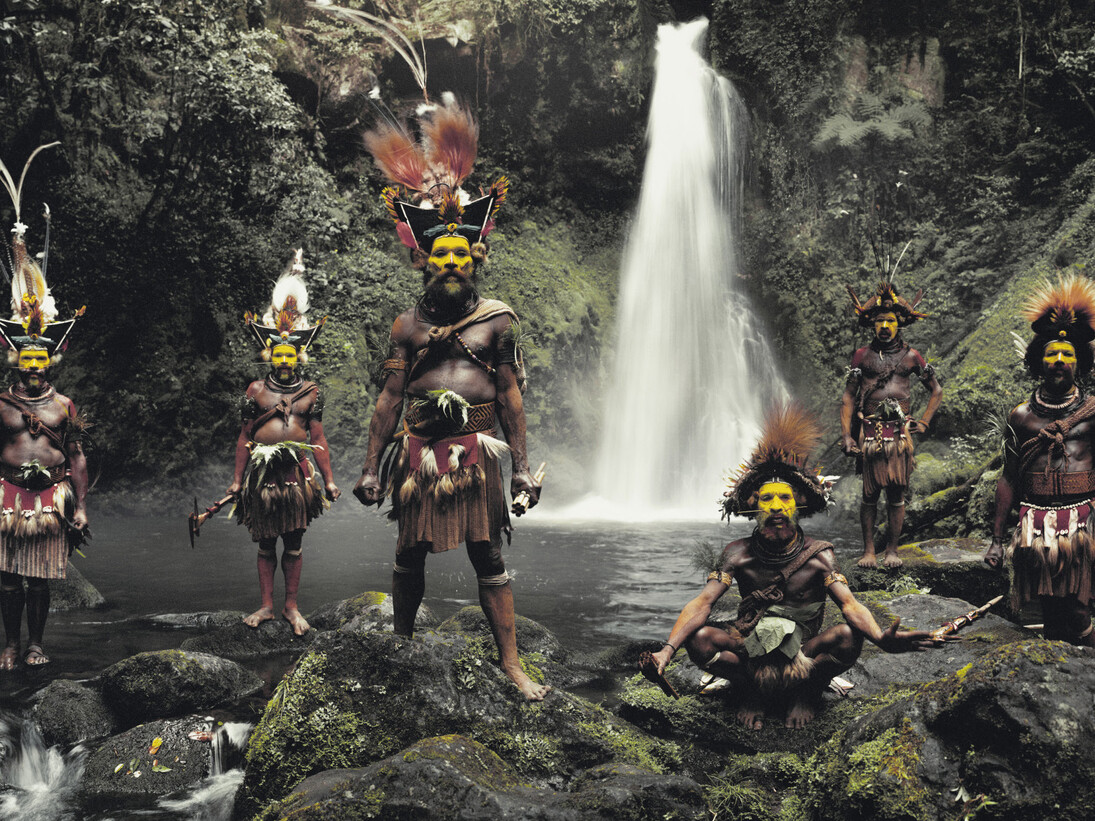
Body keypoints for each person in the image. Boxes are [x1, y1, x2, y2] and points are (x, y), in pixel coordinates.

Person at [353, 101, 547, 701]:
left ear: (476, 257)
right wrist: (368, 467)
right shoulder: (406, 327)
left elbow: (511, 399)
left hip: (477, 450)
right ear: (423, 260)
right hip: (419, 453)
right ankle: (403, 648)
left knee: (488, 556)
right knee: (409, 553)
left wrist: (521, 468)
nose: (453, 264)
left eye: (462, 255)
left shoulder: (497, 323)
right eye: (442, 256)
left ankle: (512, 664)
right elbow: (388, 400)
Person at [645, 404, 941, 729]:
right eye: (767, 499)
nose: (776, 507)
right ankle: (750, 691)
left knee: (849, 637)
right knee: (699, 639)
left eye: (784, 499)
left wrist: (880, 638)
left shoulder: (819, 555)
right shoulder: (737, 553)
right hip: (749, 646)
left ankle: (808, 692)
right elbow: (703, 602)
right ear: (752, 506)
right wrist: (667, 651)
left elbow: (849, 603)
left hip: (805, 649)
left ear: (797, 505)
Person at [0, 142, 89, 669]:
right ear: (15, 360)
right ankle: (8, 644)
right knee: (8, 578)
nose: (34, 366)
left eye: (41, 359)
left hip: (50, 500)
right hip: (8, 499)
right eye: (25, 359)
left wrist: (82, 504)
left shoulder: (65, 405)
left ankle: (36, 642)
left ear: (52, 360)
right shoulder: (1, 404)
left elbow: (76, 457)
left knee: (41, 579)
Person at [228, 250, 339, 636]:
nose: (285, 360)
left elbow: (318, 437)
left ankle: (292, 607)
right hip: (262, 478)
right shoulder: (256, 390)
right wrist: (237, 480)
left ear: (299, 356)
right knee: (264, 544)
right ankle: (266, 606)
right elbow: (244, 436)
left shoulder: (311, 392)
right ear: (269, 355)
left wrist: (328, 481)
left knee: (293, 544)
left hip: (296, 479)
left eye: (291, 354)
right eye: (279, 354)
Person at [983, 274, 1095, 646]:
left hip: (1083, 523)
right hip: (1037, 524)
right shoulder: (1021, 417)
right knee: (1050, 613)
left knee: (1079, 613)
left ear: (1080, 364)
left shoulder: (1092, 413)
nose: (1059, 360)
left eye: (1067, 355)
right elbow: (1009, 477)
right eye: (1051, 354)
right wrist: (997, 539)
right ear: (1038, 361)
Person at [841, 281, 942, 568]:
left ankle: (892, 551)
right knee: (869, 494)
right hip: (869, 436)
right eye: (880, 320)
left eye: (890, 320)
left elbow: (936, 390)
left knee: (897, 494)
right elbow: (848, 396)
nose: (885, 325)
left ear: (899, 324)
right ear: (871, 323)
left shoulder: (911, 356)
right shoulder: (862, 356)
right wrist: (847, 436)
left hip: (899, 436)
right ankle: (869, 551)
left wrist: (924, 421)